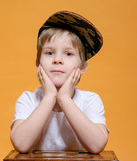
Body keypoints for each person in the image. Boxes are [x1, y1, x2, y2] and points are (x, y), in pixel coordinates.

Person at [10, 11, 109, 153]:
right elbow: (20, 144)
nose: (57, 60)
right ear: (38, 64)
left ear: (82, 67)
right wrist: (49, 97)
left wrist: (64, 99)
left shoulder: (90, 100)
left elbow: (97, 145)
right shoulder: (28, 100)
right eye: (49, 53)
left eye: (68, 54)